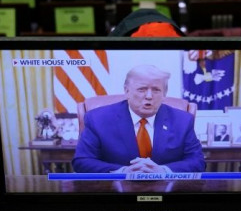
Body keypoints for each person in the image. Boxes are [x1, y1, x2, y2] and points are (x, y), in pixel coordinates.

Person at [72, 64, 205, 174]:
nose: (149, 96)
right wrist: (122, 172)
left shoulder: (182, 120)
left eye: (156, 90)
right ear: (127, 91)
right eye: (141, 89)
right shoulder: (98, 119)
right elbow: (82, 161)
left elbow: (197, 161)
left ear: (164, 93)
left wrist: (164, 171)